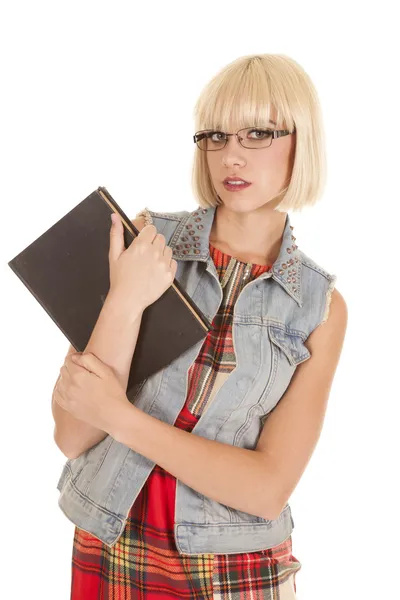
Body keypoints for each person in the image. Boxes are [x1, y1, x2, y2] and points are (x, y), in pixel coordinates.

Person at [53, 53, 348, 599]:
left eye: (258, 133)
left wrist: (118, 414)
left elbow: (265, 490)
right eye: (215, 136)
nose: (230, 155)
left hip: (234, 568)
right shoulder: (144, 241)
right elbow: (73, 434)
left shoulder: (318, 306)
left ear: (301, 142)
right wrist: (124, 298)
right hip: (114, 542)